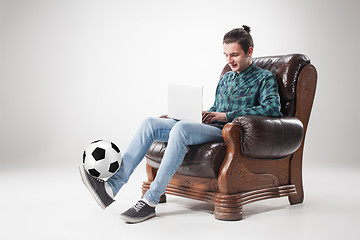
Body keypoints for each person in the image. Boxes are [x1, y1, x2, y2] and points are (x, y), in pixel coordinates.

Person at [79, 25, 282, 223]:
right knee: (150, 123)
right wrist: (201, 113)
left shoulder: (265, 78)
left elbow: (272, 108)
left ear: (250, 51)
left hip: (229, 132)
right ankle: (111, 188)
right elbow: (216, 107)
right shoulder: (226, 77)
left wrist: (226, 115)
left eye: (234, 55)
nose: (229, 60)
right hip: (211, 125)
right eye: (226, 55)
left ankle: (150, 200)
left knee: (181, 129)